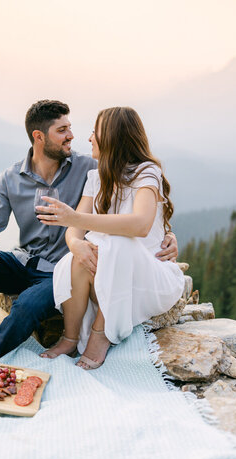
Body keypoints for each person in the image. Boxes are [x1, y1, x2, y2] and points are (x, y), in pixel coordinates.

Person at [0, 101, 178, 388]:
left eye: (71, 128)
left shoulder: (89, 167)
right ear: (38, 137)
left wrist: (168, 235)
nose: (72, 136)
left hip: (60, 271)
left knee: (27, 305)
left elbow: (135, 202)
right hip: (24, 262)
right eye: (62, 130)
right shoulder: (11, 179)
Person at [38, 106, 185, 369]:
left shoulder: (146, 173)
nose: (90, 138)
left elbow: (140, 225)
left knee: (118, 242)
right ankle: (70, 338)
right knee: (79, 254)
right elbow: (75, 228)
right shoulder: (96, 177)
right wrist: (75, 243)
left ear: (113, 137)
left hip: (148, 278)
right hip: (108, 272)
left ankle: (100, 334)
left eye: (95, 132)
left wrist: (75, 220)